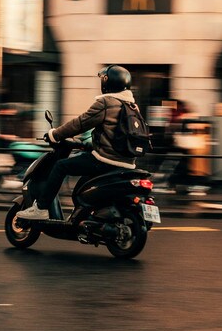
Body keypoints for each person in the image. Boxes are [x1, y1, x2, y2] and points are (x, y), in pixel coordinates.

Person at [17, 65, 139, 220]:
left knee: (60, 166)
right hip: (127, 163)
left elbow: (80, 123)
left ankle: (41, 208)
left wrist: (55, 134)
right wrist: (87, 144)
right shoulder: (132, 106)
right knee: (83, 182)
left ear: (107, 83)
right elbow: (114, 136)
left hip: (105, 161)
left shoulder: (107, 103)